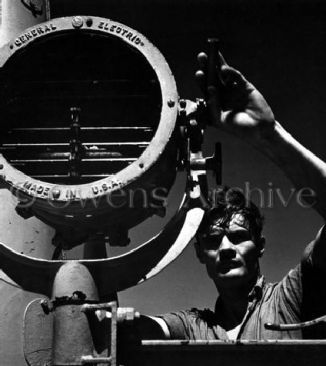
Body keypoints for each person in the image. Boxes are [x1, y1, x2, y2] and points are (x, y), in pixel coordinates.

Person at [134, 52, 326, 341]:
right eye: (212, 241)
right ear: (199, 253)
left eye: (237, 236)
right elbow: (128, 329)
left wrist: (269, 135)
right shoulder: (192, 327)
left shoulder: (291, 299)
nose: (225, 247)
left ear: (260, 246)